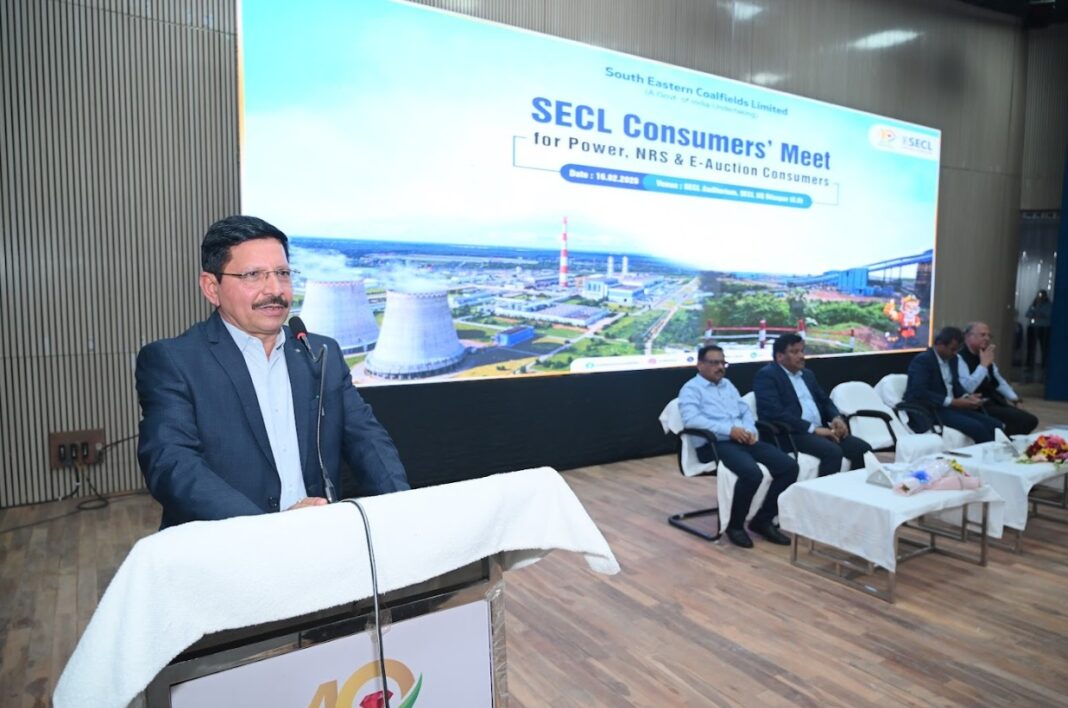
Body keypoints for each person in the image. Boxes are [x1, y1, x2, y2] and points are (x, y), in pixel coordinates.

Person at [136, 215, 409, 528]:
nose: (275, 290)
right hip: (227, 546)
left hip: (319, 537)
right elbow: (173, 465)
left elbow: (368, 441)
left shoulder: (321, 353)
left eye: (282, 273)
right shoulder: (174, 361)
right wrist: (269, 530)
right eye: (253, 275)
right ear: (212, 288)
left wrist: (403, 509)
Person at [679, 344, 798, 549]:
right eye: (714, 363)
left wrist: (749, 430)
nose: (720, 367)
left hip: (741, 439)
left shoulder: (728, 385)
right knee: (752, 473)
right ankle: (735, 526)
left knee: (789, 467)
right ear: (700, 365)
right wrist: (729, 430)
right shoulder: (691, 389)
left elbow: (744, 411)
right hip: (713, 445)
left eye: (722, 363)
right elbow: (692, 420)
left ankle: (763, 520)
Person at [753, 333, 871, 476]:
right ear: (779, 356)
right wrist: (813, 429)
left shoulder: (807, 374)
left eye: (802, 351)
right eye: (794, 352)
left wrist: (836, 418)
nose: (801, 356)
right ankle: (825, 490)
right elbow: (774, 413)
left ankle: (851, 488)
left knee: (863, 448)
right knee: (833, 452)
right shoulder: (767, 376)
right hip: (792, 433)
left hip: (818, 429)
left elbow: (824, 401)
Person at [903, 326, 1003, 443]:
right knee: (978, 428)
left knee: (995, 425)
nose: (955, 353)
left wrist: (967, 397)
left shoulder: (953, 359)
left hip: (951, 407)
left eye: (957, 349)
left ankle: (999, 451)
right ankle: (987, 453)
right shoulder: (923, 361)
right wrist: (952, 402)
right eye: (952, 349)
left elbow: (955, 385)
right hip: (932, 409)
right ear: (940, 344)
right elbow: (919, 392)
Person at [958, 322, 1038, 436]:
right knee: (1025, 421)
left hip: (994, 400)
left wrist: (1015, 400)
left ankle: (1006, 441)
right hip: (977, 404)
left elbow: (999, 382)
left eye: (989, 335)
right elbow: (968, 388)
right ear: (968, 336)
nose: (987, 338)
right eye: (983, 335)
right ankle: (1004, 441)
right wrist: (983, 365)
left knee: (1030, 420)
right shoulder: (959, 358)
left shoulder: (985, 356)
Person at [1025, 289, 1052, 377]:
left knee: (1044, 348)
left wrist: (1038, 314)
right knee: (1031, 348)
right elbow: (1027, 314)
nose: (1040, 297)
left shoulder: (1049, 305)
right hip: (1033, 327)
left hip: (1044, 328)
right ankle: (1029, 365)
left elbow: (1048, 315)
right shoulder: (1034, 304)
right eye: (1039, 295)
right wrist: (1036, 313)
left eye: (1042, 295)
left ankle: (1044, 366)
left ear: (1045, 296)